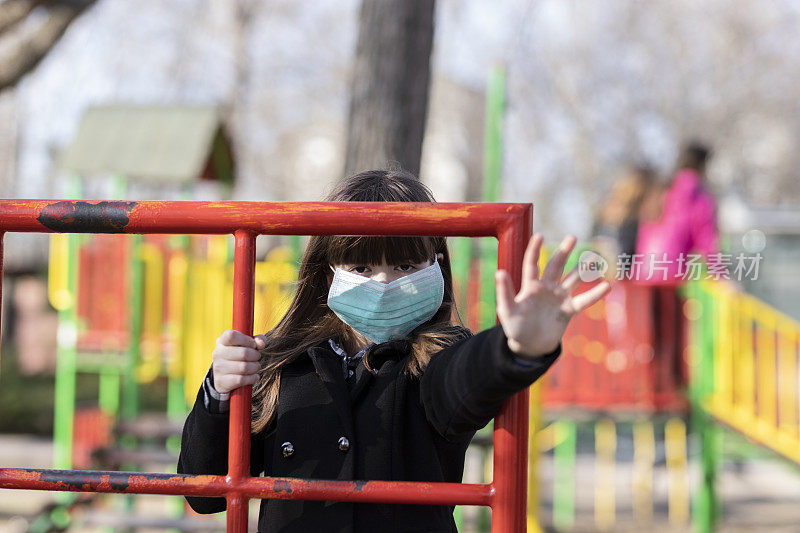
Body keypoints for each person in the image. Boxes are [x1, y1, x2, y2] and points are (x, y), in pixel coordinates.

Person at [177, 169, 611, 532]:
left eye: (405, 266)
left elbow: (465, 379)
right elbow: (207, 491)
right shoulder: (281, 362)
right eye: (362, 268)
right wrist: (219, 389)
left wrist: (515, 347)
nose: (384, 284)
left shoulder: (435, 356)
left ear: (437, 265)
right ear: (329, 276)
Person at [635, 142, 719, 282]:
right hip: (673, 278)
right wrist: (721, 277)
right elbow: (707, 244)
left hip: (643, 275)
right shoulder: (697, 197)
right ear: (703, 166)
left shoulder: (661, 191)